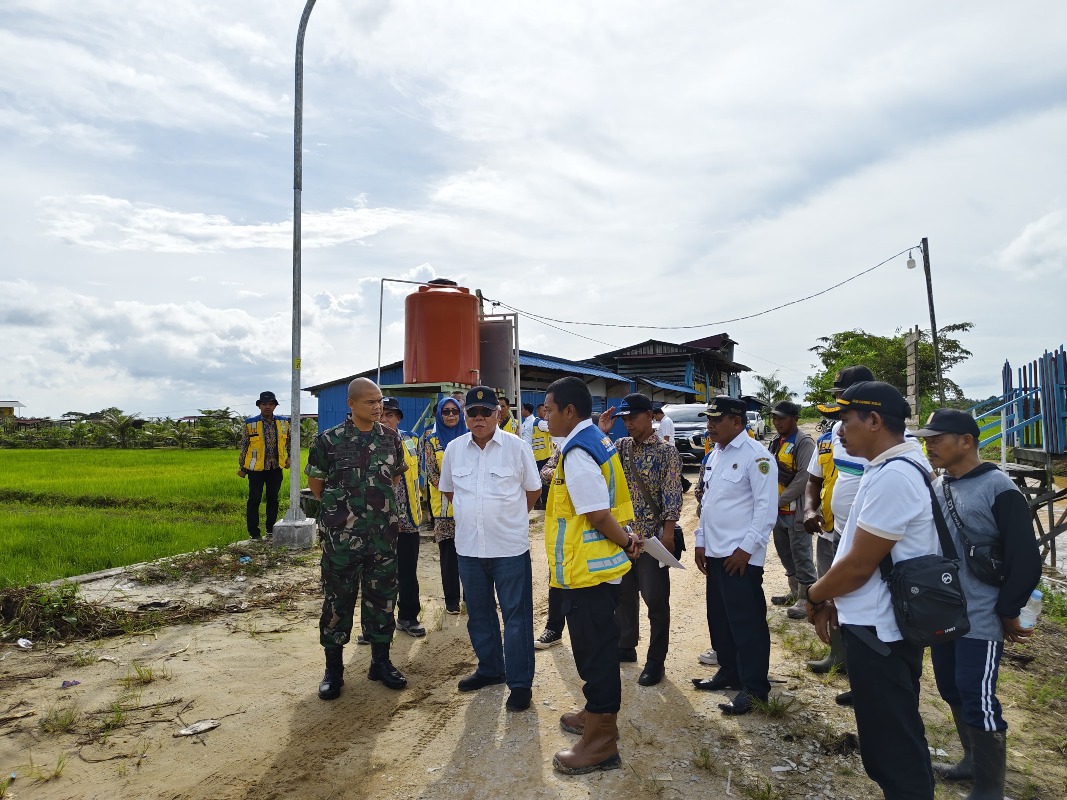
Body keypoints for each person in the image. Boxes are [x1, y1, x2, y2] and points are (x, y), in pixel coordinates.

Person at [806, 380, 937, 799]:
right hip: (878, 626)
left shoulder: (894, 475)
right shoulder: (889, 467)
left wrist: (815, 594)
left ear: (875, 420)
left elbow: (860, 565)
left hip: (881, 632)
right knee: (889, 738)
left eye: (845, 420)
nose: (839, 432)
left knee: (892, 746)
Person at [917, 409, 1042, 799]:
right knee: (952, 687)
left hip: (982, 615)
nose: (929, 444)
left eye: (938, 438)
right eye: (927, 438)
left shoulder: (998, 487)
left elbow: (1025, 558)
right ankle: (971, 761)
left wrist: (1007, 610)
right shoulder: (940, 486)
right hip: (945, 611)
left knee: (977, 693)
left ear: (966, 441)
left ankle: (990, 788)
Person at [543, 376, 641, 774]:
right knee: (596, 647)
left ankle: (601, 741)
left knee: (595, 653)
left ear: (570, 411)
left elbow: (598, 514)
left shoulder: (580, 451)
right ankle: (593, 714)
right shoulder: (594, 440)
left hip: (588, 572)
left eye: (549, 410)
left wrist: (625, 541)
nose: (544, 417)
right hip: (593, 569)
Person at [438, 386, 542, 712]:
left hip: (509, 548)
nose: (479, 418)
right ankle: (490, 669)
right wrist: (477, 517)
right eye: (473, 412)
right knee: (479, 615)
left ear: (499, 414)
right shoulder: (454, 449)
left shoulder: (517, 447)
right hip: (469, 549)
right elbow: (451, 492)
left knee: (516, 618)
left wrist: (506, 519)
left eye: (486, 412)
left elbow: (533, 491)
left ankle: (520, 683)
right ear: (465, 416)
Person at [306, 378, 408, 700]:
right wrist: (344, 516)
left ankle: (380, 662)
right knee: (338, 602)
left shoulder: (391, 438)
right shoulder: (328, 441)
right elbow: (317, 484)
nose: (378, 407)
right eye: (370, 402)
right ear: (351, 405)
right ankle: (333, 670)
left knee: (382, 600)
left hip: (382, 538)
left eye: (379, 401)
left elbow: (392, 479)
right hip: (341, 541)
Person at [692, 396, 777, 715]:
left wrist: (746, 549)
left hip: (740, 556)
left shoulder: (756, 456)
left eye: (716, 420)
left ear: (737, 422)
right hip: (715, 552)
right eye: (709, 420)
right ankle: (729, 671)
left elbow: (765, 509)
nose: (709, 426)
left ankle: (755, 689)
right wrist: (701, 540)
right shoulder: (716, 453)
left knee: (747, 623)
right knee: (720, 619)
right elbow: (709, 501)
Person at [599, 393, 683, 687]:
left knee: (656, 601)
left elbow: (673, 494)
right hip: (624, 538)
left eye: (633, 418)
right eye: (625, 419)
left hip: (652, 539)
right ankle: (626, 646)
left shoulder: (665, 452)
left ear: (650, 416)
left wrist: (669, 534)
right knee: (624, 596)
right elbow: (597, 457)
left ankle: (656, 660)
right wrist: (603, 431)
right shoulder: (620, 447)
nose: (629, 424)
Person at [381, 397, 426, 638]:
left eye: (390, 414)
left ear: (398, 418)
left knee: (408, 571)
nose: (385, 419)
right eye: (381, 414)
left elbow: (419, 474)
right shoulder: (368, 440)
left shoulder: (412, 439)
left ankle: (408, 617)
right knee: (378, 574)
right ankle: (376, 625)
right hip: (378, 521)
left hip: (408, 519)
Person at [767, 401, 817, 619]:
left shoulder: (803, 442)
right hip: (778, 511)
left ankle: (807, 599)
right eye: (774, 418)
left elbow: (804, 477)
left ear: (795, 419)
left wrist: (780, 499)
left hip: (795, 510)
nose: (777, 422)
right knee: (785, 553)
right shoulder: (776, 442)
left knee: (801, 554)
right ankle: (794, 591)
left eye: (782, 418)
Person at [423, 397, 468, 614]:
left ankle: (472, 598)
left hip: (469, 508)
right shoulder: (431, 441)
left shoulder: (470, 438)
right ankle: (451, 601)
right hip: (444, 509)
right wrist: (454, 492)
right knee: (449, 556)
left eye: (455, 411)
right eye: (446, 412)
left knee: (472, 554)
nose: (451, 415)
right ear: (439, 415)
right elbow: (432, 473)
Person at [237, 391, 291, 540]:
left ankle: (270, 530)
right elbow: (244, 446)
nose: (267, 407)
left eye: (271, 404)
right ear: (259, 406)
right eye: (264, 404)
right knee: (254, 499)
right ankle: (254, 533)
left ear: (275, 406)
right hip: (256, 469)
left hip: (275, 467)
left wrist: (290, 457)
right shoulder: (250, 423)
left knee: (273, 499)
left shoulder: (283, 422)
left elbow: (289, 442)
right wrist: (242, 467)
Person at [534, 445, 566, 649]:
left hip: (594, 527)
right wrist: (565, 472)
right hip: (564, 527)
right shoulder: (564, 448)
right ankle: (554, 629)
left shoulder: (600, 449)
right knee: (557, 578)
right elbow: (545, 472)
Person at [530, 405, 555, 510]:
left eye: (547, 411)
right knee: (544, 481)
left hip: (545, 455)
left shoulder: (539, 423)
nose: (545, 413)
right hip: (541, 456)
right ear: (538, 411)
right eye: (543, 411)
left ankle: (542, 502)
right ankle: (543, 503)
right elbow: (552, 427)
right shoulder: (539, 423)